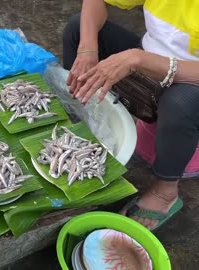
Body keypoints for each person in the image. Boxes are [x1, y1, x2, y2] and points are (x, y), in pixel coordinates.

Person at [62, 0, 199, 231]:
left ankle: (165, 193)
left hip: (190, 80)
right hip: (149, 60)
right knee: (79, 29)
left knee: (180, 103)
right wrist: (88, 50)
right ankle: (75, 130)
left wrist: (137, 59)